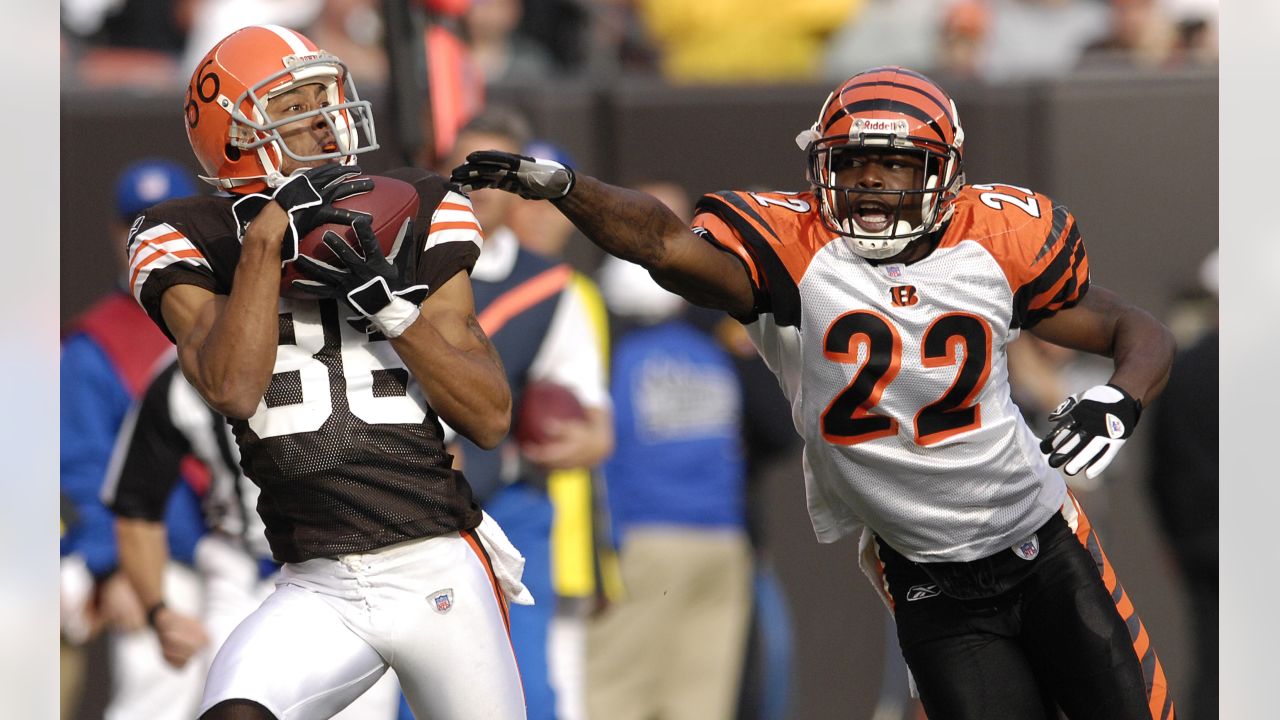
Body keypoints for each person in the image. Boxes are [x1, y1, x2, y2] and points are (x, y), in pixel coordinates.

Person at [453, 65, 1178, 719]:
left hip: (1040, 542)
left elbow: (1132, 327)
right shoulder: (794, 254)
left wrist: (1123, 396)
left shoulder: (995, 240)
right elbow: (664, 245)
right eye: (855, 163)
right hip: (925, 573)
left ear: (943, 172)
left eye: (896, 165)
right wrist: (570, 191)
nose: (871, 183)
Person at [126, 24, 528, 719]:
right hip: (317, 583)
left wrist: (394, 313)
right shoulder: (184, 236)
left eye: (327, 96)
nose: (328, 119)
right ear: (239, 133)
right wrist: (266, 239)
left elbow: (490, 416)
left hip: (436, 565)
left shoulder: (417, 206)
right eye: (298, 105)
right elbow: (232, 386)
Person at [103, 356, 403, 719]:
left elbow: (440, 460)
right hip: (244, 572)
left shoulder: (363, 343)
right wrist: (158, 611)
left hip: (358, 572)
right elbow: (137, 506)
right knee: (231, 706)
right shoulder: (182, 376)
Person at [439, 107, 614, 720]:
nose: (477, 186)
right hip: (408, 503)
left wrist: (556, 439)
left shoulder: (550, 287)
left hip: (506, 505)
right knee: (420, 692)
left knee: (529, 691)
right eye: (466, 168)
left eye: (494, 174)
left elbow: (591, 428)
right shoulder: (398, 264)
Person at [60, 157, 208, 720]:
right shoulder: (95, 344)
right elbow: (80, 466)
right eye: (137, 225)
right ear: (117, 236)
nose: (151, 239)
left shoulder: (234, 317)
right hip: (157, 564)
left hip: (253, 557)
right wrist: (110, 567)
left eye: (168, 223)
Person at [590, 253, 753, 720]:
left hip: (646, 539)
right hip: (721, 541)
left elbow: (609, 456)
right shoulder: (712, 356)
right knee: (700, 701)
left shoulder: (619, 359)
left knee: (614, 693)